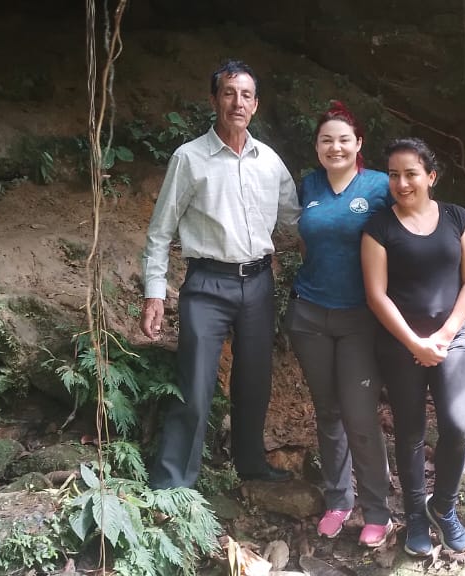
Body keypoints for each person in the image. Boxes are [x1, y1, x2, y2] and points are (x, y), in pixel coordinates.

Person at [141, 60, 301, 489]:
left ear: (256, 105)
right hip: (206, 284)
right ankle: (173, 483)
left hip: (259, 283)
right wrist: (154, 294)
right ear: (214, 100)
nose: (237, 102)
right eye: (229, 93)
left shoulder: (269, 161)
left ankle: (251, 464)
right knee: (195, 384)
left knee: (255, 381)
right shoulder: (189, 158)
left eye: (246, 95)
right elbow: (160, 231)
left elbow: (298, 220)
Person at [361, 138, 465, 556]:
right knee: (410, 431)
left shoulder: (458, 218)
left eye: (411, 173)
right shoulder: (379, 227)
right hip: (400, 344)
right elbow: (376, 295)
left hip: (452, 339)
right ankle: (414, 513)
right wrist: (414, 342)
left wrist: (444, 336)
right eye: (393, 175)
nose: (401, 183)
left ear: (431, 176)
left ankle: (443, 507)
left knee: (459, 426)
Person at [285, 102, 394, 546]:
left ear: (358, 144)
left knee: (360, 413)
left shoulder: (380, 186)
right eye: (326, 140)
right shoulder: (309, 184)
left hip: (360, 317)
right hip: (310, 312)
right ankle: (338, 500)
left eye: (344, 140)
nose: (335, 147)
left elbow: (409, 230)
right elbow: (304, 239)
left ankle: (378, 510)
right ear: (316, 147)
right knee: (328, 410)